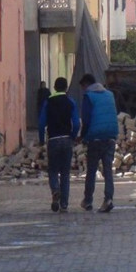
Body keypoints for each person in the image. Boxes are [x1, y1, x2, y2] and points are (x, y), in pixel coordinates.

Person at [78, 74, 119, 213]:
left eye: (83, 87)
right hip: (110, 136)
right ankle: (108, 199)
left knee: (91, 171)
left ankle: (88, 201)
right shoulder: (110, 95)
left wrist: (82, 136)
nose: (83, 90)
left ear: (86, 84)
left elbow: (86, 120)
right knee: (108, 171)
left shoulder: (88, 97)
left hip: (95, 138)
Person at [39, 77, 80, 213]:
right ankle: (64, 204)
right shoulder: (70, 102)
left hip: (53, 140)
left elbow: (41, 123)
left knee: (52, 170)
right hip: (67, 139)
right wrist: (73, 136)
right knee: (65, 173)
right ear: (66, 88)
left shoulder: (48, 102)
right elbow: (76, 122)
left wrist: (41, 139)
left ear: (55, 88)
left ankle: (55, 190)